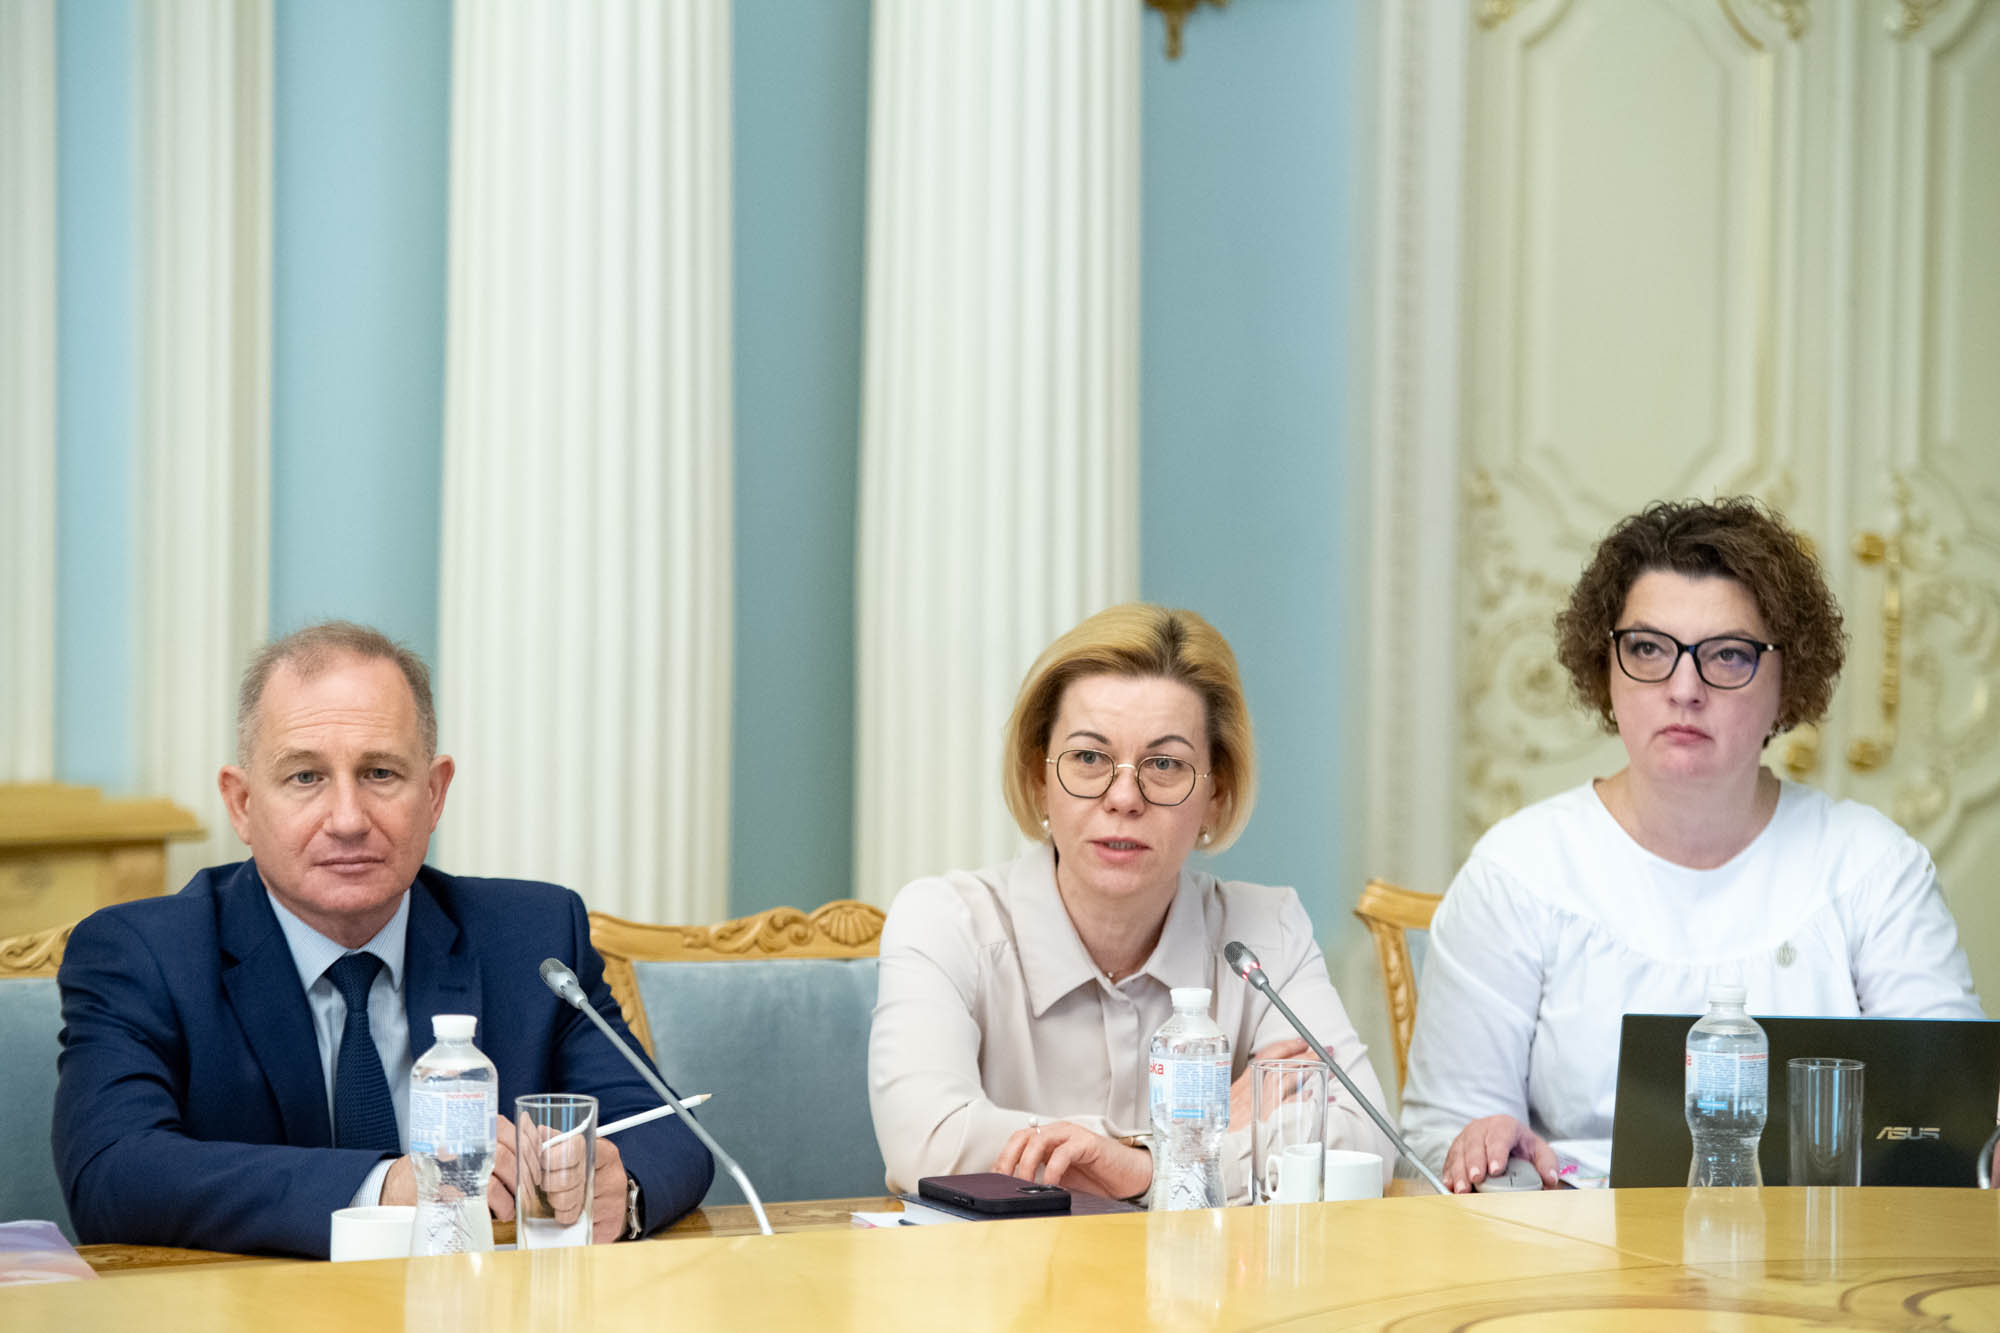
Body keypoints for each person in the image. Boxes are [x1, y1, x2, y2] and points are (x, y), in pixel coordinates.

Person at [53, 622, 714, 1256]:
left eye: (380, 774)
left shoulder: (532, 937)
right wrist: (387, 1187)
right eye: (305, 777)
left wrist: (618, 1187)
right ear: (242, 803)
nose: (347, 819)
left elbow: (668, 1130)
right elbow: (112, 1171)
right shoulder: (143, 953)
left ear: (434, 793)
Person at [1400, 498, 1984, 1192]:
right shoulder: (1518, 873)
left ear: (1788, 681)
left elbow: (1954, 1122)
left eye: (1728, 655)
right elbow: (1437, 1142)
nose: (1684, 689)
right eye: (1648, 649)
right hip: (1573, 1246)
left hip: (1822, 1246)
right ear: (1606, 667)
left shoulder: (1873, 868)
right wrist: (1485, 1149)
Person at [868, 603, 1395, 1204]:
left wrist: (1142, 1168)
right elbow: (928, 1144)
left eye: (1165, 764)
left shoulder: (1264, 932)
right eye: (1089, 758)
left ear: (1216, 792)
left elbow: (1364, 1143)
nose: (1123, 797)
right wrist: (1179, 1148)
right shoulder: (945, 921)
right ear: (1039, 778)